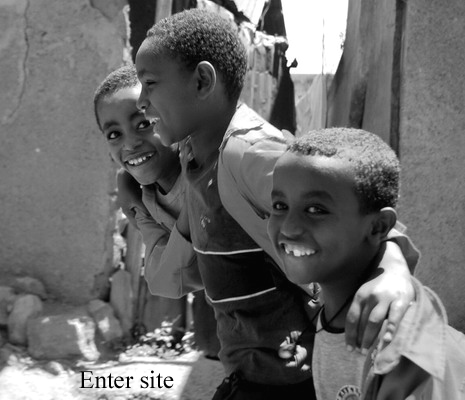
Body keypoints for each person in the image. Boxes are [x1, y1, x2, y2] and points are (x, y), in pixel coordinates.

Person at [134, 8, 419, 399]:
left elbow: (363, 223)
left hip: (291, 381)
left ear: (202, 80)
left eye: (150, 83)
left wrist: (393, 273)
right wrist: (141, 201)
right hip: (252, 373)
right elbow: (176, 276)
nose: (141, 101)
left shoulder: (248, 155)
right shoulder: (196, 156)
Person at [268, 127, 465, 399]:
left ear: (378, 227)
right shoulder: (334, 311)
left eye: (316, 210)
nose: (288, 227)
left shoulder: (405, 351)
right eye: (279, 206)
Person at [93, 65, 220, 358]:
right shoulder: (149, 198)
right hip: (234, 325)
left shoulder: (213, 170)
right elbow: (164, 281)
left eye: (143, 124)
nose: (130, 142)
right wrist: (137, 211)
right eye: (113, 134)